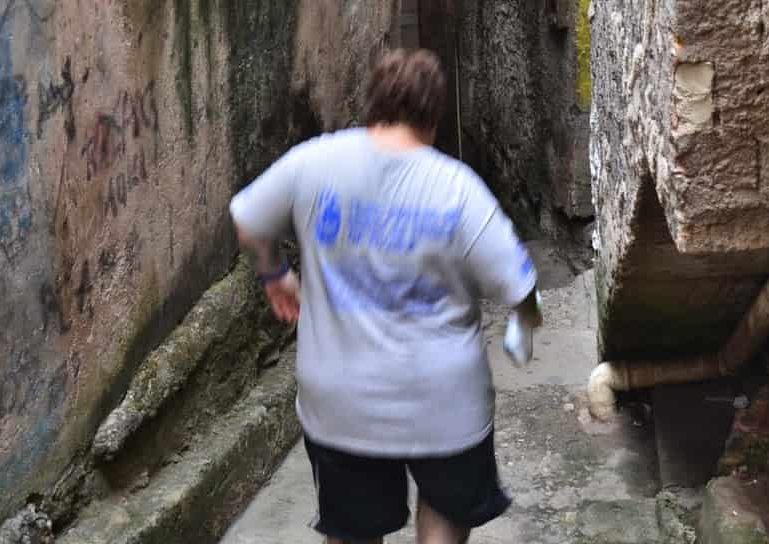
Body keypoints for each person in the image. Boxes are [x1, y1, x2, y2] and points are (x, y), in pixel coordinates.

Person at [230, 48, 542, 544]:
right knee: (444, 507)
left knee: (352, 529)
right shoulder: (457, 189)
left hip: (340, 402)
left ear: (372, 103)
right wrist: (523, 326)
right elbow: (519, 287)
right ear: (434, 118)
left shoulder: (312, 162)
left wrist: (275, 276)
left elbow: (247, 221)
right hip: (443, 404)